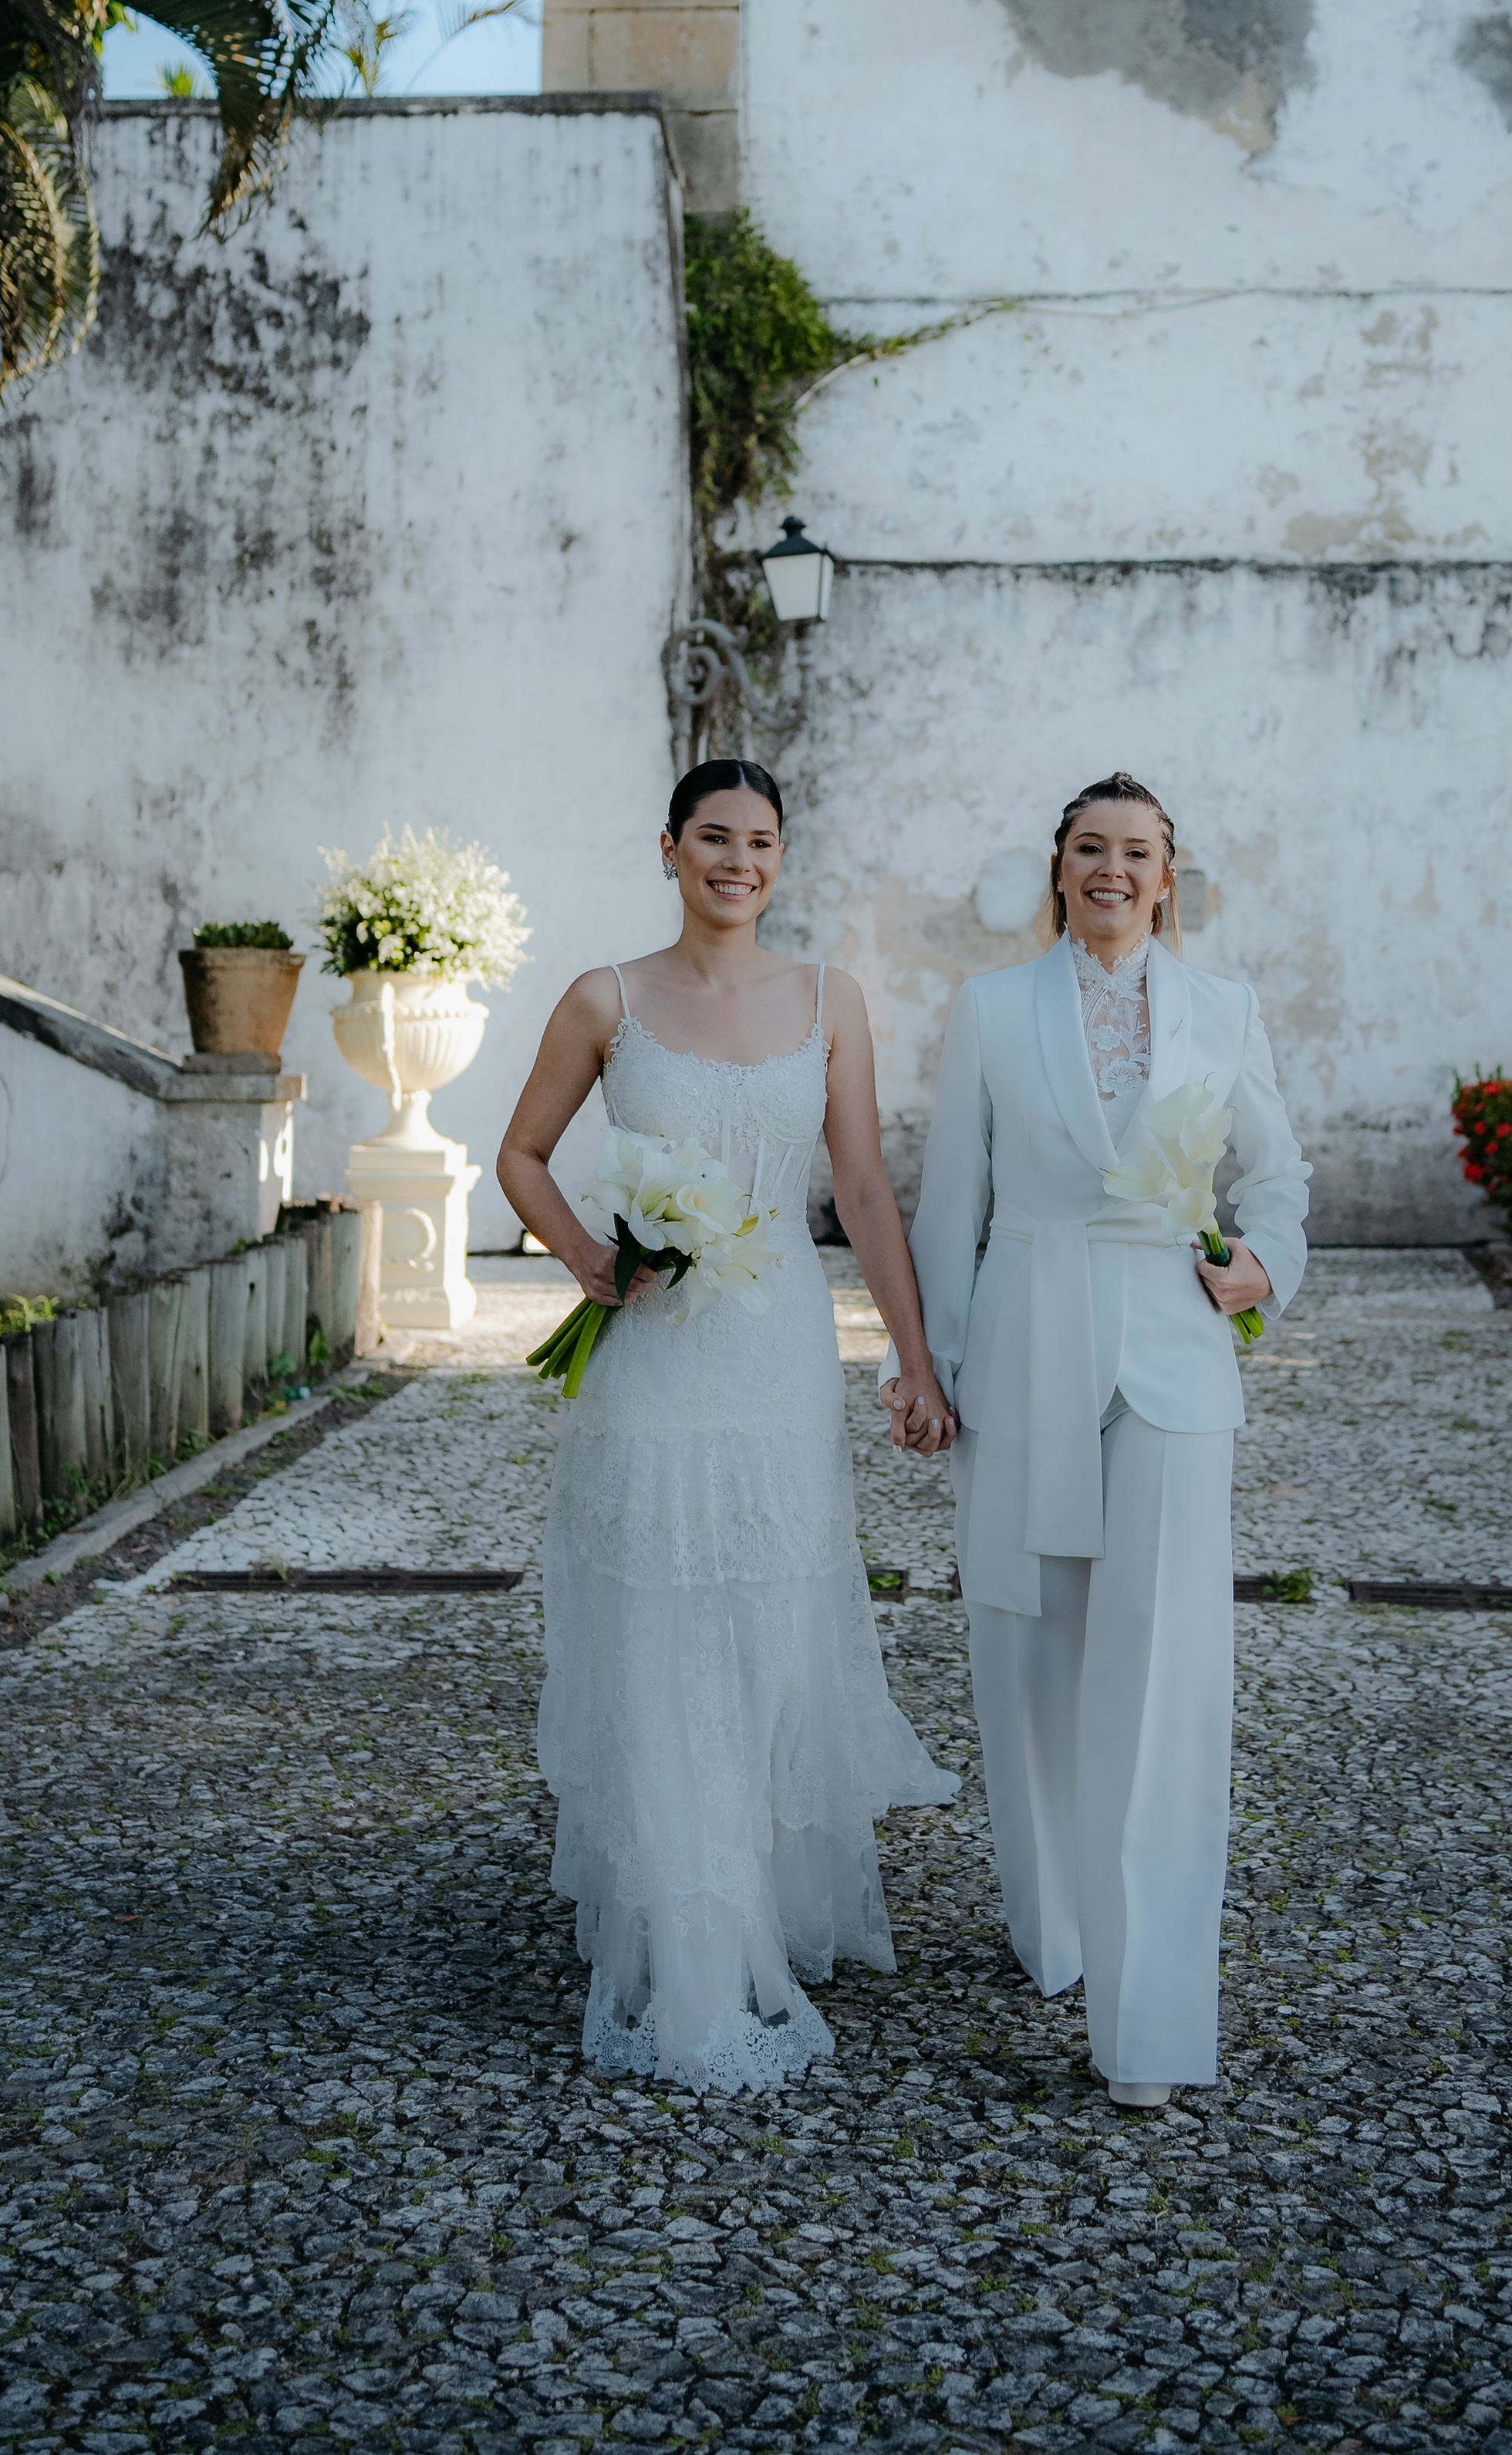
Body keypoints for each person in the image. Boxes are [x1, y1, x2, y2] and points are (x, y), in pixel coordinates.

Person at [496, 758, 958, 2093]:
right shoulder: (607, 998)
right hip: (651, 1365)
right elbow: (520, 1154)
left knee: (763, 1622)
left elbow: (864, 1188)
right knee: (661, 1626)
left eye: (760, 841)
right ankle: (687, 1935)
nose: (737, 861)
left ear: (780, 859)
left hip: (777, 1359)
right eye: (714, 836)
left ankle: (748, 1888)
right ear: (670, 847)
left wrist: (913, 1359)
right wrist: (589, 1256)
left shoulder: (832, 1002)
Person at [893, 772, 1310, 2107]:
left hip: (1177, 1362)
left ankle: (1150, 2020)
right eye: (1090, 848)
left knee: (1166, 1675)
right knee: (1029, 1648)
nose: (1113, 869)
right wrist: (934, 1369)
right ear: (1058, 867)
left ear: (1169, 873)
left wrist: (1268, 1264)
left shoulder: (1223, 1010)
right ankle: (1053, 1919)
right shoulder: (993, 1008)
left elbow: (1281, 1175)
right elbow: (952, 1194)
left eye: (1138, 851)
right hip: (1025, 1349)